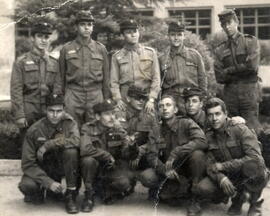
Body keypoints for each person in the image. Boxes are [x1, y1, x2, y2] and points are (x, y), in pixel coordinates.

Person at [194, 97, 269, 216]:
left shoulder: (240, 129)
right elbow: (209, 164)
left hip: (248, 171)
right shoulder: (208, 136)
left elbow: (254, 158)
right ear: (207, 117)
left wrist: (223, 166)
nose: (214, 118)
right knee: (203, 188)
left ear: (225, 114)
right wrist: (221, 178)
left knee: (254, 166)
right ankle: (237, 201)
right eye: (210, 115)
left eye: (218, 114)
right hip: (230, 176)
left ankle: (255, 203)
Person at [139, 95, 207, 216]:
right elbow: (151, 155)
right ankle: (170, 190)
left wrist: (178, 151)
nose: (165, 108)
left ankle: (195, 198)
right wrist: (164, 169)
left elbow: (202, 141)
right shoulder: (156, 130)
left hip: (188, 169)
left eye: (168, 105)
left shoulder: (186, 123)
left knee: (198, 155)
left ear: (175, 109)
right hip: (169, 170)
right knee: (146, 176)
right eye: (161, 106)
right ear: (158, 111)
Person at [18, 94, 80, 214]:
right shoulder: (34, 130)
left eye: (59, 111)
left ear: (64, 110)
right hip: (43, 168)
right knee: (27, 185)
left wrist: (49, 144)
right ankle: (41, 192)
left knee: (71, 151)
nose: (55, 115)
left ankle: (70, 195)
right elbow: (27, 164)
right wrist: (48, 182)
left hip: (62, 166)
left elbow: (76, 141)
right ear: (45, 110)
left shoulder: (70, 124)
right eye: (51, 111)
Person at [80, 99, 137, 212]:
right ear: (97, 116)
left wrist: (132, 146)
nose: (112, 117)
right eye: (107, 114)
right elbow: (85, 149)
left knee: (126, 181)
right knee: (88, 160)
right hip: (93, 169)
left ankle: (105, 191)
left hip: (110, 169)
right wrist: (106, 155)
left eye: (113, 114)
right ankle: (89, 196)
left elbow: (126, 154)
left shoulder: (117, 128)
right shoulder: (87, 128)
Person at [57, 10, 110, 127]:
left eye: (89, 25)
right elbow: (60, 77)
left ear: (93, 27)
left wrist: (106, 99)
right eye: (83, 24)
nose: (86, 28)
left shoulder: (101, 49)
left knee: (95, 129)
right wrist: (60, 100)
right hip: (73, 94)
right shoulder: (66, 49)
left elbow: (106, 77)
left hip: (95, 94)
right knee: (71, 129)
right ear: (76, 27)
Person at [214, 9, 262, 136]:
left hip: (248, 93)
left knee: (252, 130)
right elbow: (219, 76)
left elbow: (252, 67)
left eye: (229, 22)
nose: (227, 26)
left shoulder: (250, 42)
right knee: (232, 130)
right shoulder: (220, 49)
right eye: (224, 24)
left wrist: (229, 70)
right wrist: (242, 68)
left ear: (237, 22)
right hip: (230, 95)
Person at [11, 21, 59, 129]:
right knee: (28, 143)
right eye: (39, 36)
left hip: (49, 112)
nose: (43, 40)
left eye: (46, 37)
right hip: (29, 111)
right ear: (32, 38)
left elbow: (57, 89)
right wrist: (19, 115)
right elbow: (16, 90)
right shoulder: (21, 62)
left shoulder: (54, 63)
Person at [110, 19, 160, 114]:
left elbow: (156, 78)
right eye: (128, 32)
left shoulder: (150, 53)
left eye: (135, 31)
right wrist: (118, 99)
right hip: (126, 100)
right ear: (122, 35)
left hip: (146, 99)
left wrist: (152, 99)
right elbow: (114, 81)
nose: (133, 35)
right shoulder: (117, 56)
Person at [159, 21, 207, 115]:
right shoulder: (162, 59)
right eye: (173, 35)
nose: (176, 38)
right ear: (168, 36)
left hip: (190, 98)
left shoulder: (194, 55)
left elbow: (202, 79)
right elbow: (159, 84)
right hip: (171, 100)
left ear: (184, 36)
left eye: (179, 35)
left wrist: (202, 99)